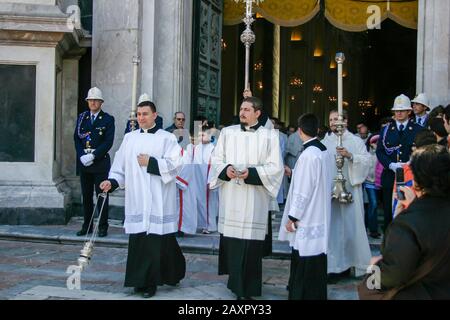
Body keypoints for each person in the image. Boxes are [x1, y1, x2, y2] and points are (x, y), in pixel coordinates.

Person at [99, 100, 185, 298]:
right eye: (138, 114)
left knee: (157, 240)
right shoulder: (129, 138)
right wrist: (111, 182)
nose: (141, 118)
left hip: (158, 197)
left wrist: (151, 162)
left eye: (145, 114)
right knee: (139, 239)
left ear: (155, 115)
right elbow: (120, 166)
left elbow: (176, 165)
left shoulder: (167, 138)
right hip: (137, 197)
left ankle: (150, 283)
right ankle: (139, 280)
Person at [209, 96, 284, 300]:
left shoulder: (270, 136)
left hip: (254, 200)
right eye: (241, 108)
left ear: (258, 113)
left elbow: (275, 168)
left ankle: (249, 289)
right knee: (234, 244)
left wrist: (250, 174)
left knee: (250, 246)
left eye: (247, 109)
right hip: (232, 197)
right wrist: (227, 170)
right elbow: (216, 159)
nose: (242, 112)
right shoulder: (227, 132)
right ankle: (235, 284)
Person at [370, 145, 450, 299]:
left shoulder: (407, 224)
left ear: (416, 180)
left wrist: (373, 268)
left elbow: (392, 275)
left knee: (369, 288)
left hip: (422, 293)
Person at [279, 113, 334, 300]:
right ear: (317, 130)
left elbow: (304, 190)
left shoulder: (308, 155)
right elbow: (316, 178)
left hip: (308, 216)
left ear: (300, 131)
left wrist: (292, 218)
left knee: (304, 258)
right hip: (320, 213)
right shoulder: (323, 150)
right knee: (316, 258)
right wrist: (294, 172)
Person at [322, 109, 372, 279]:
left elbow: (367, 162)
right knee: (333, 229)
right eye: (331, 119)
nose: (334, 122)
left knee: (351, 227)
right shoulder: (325, 142)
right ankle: (333, 266)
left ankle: (351, 263)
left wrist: (350, 156)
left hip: (350, 190)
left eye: (337, 119)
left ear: (346, 121)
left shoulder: (356, 141)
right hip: (330, 192)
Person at [376, 94, 422, 231]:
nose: (399, 113)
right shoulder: (386, 130)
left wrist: (411, 163)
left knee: (409, 209)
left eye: (402, 110)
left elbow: (423, 149)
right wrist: (390, 164)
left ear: (409, 111)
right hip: (390, 175)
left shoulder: (418, 129)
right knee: (389, 213)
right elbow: (380, 151)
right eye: (397, 111)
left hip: (410, 176)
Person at [74, 87, 115, 238]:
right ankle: (87, 225)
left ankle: (103, 226)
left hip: (99, 164)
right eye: (90, 100)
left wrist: (94, 156)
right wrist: (81, 156)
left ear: (101, 102)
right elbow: (77, 139)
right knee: (86, 196)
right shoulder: (82, 118)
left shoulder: (108, 119)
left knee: (101, 196)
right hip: (85, 164)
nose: (92, 102)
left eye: (95, 100)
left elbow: (108, 142)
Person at [391, 129, 437, 217]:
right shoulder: (441, 167)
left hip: (409, 217)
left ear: (415, 148)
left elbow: (396, 200)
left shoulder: (405, 169)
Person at [364, 135, 382, 239]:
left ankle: (370, 228)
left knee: (372, 206)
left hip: (378, 183)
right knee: (373, 204)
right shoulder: (367, 154)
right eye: (375, 142)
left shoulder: (380, 153)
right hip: (369, 182)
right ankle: (373, 230)